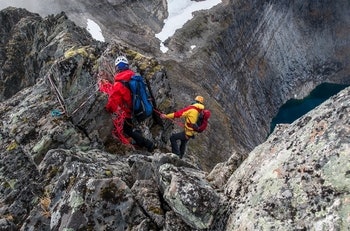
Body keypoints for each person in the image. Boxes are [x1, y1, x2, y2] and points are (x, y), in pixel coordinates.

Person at [99, 55, 155, 152]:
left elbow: (113, 102)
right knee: (130, 128)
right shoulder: (133, 77)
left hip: (127, 111)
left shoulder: (119, 84)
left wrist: (107, 109)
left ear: (117, 68)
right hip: (137, 108)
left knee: (127, 130)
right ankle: (141, 141)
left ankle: (148, 145)